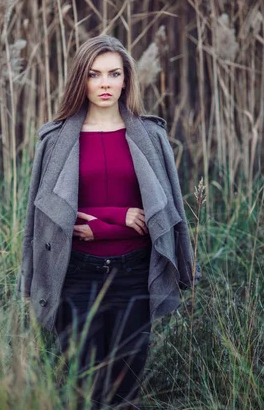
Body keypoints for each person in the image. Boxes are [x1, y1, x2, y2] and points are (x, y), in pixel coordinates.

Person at [17, 35, 200, 409]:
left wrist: (103, 223)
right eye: (94, 74)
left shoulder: (151, 136)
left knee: (125, 391)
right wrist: (119, 217)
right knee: (85, 390)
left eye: (113, 74)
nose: (104, 84)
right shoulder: (55, 141)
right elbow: (45, 218)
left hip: (133, 275)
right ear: (80, 81)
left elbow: (163, 214)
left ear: (126, 79)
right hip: (76, 275)